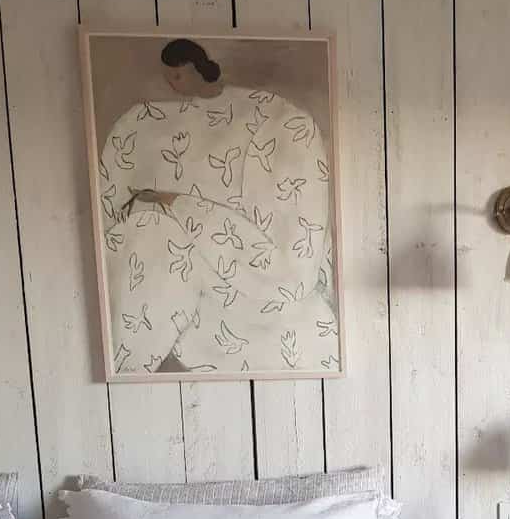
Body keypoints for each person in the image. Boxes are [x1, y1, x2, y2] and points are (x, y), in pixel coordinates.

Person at [99, 38, 338, 375]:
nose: (171, 84)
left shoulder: (276, 122)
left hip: (254, 298)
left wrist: (179, 204)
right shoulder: (138, 125)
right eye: (167, 77)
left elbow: (292, 270)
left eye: (178, 76)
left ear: (196, 69)